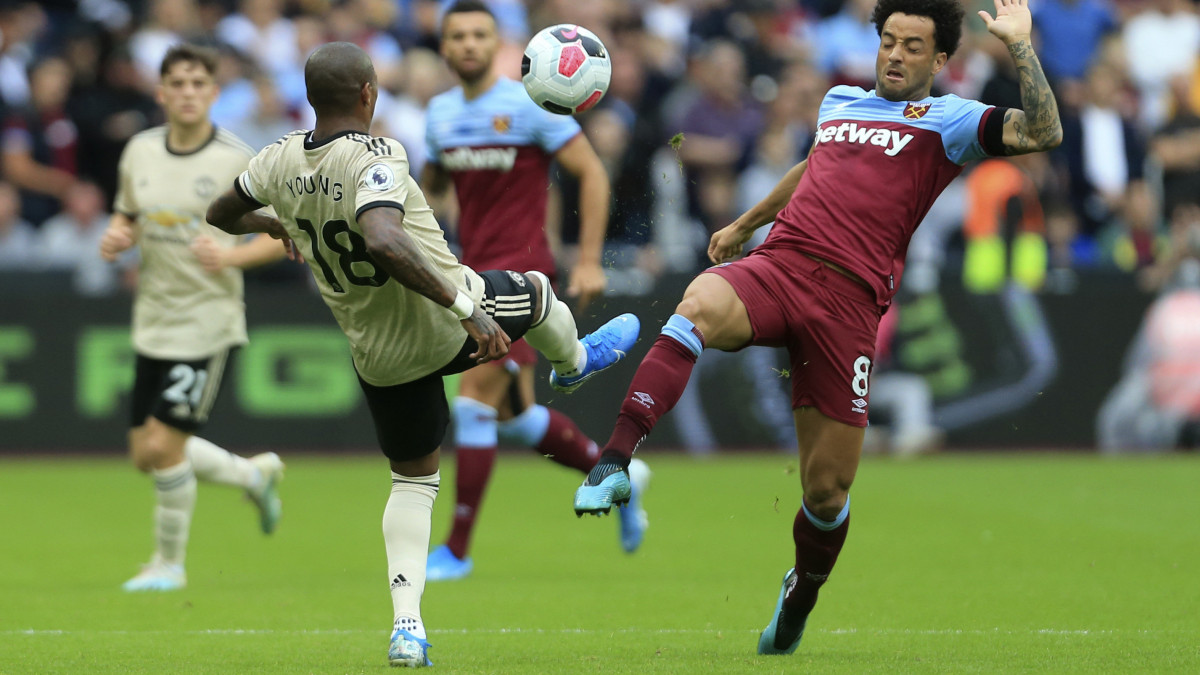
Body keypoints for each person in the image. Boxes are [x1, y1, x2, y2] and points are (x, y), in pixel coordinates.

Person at [571, 0, 1062, 656]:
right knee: (696, 306)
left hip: (850, 308)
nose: (895, 55)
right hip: (782, 266)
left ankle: (801, 591)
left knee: (826, 492)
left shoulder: (951, 121)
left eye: (913, 47)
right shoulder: (839, 102)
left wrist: (1020, 46)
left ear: (941, 59)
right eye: (888, 41)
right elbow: (816, 166)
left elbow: (1043, 132)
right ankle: (614, 460)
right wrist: (748, 224)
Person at [204, 41, 639, 667]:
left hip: (378, 357)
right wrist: (467, 309)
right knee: (539, 292)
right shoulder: (378, 154)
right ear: (368, 95)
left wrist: (274, 223)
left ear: (309, 98)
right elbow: (381, 236)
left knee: (413, 481)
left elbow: (221, 212)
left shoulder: (275, 161)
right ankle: (573, 365)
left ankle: (407, 628)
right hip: (445, 324)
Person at [419, 0, 649, 581]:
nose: (468, 44)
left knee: (471, 404)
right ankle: (618, 476)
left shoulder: (531, 103)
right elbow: (434, 184)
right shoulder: (440, 116)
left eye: (479, 35)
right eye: (458, 36)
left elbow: (592, 173)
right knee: (516, 419)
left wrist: (592, 259)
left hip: (523, 276)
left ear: (497, 46)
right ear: (443, 48)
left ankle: (457, 549)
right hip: (470, 274)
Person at [98, 44, 290, 593]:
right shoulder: (138, 151)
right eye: (176, 83)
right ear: (160, 93)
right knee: (145, 454)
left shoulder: (236, 159)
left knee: (164, 447)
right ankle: (251, 474)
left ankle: (169, 565)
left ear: (212, 92)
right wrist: (119, 234)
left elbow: (282, 237)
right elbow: (129, 213)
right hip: (153, 317)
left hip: (208, 319)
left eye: (197, 83)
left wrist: (231, 256)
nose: (186, 92)